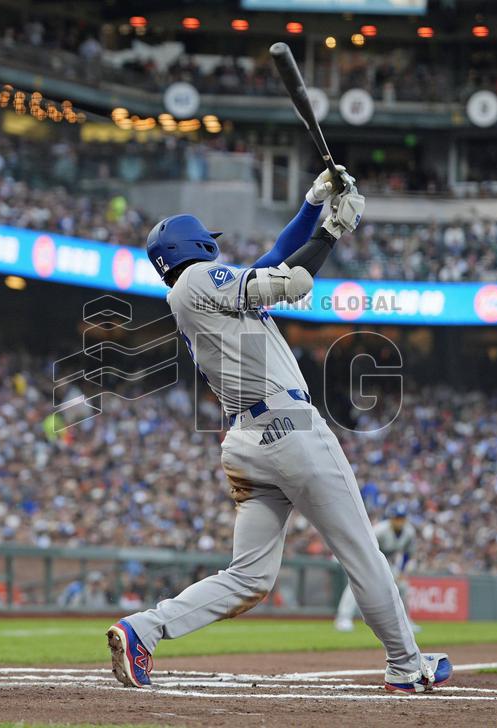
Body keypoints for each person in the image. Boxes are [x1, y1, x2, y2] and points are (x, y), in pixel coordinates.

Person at [106, 168, 452, 693]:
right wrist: (334, 232)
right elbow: (294, 281)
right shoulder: (199, 282)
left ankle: (142, 631)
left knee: (249, 578)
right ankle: (407, 665)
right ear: (194, 245)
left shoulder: (200, 294)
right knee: (362, 550)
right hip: (290, 431)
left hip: (249, 441)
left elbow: (272, 264)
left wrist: (313, 206)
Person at [334, 503, 420, 634]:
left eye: (402, 518)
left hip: (385, 560)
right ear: (390, 518)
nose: (399, 521)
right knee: (356, 585)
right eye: (397, 518)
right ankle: (343, 618)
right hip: (365, 557)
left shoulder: (409, 531)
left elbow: (408, 553)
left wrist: (401, 571)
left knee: (402, 586)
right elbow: (364, 545)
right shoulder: (380, 530)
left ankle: (406, 621)